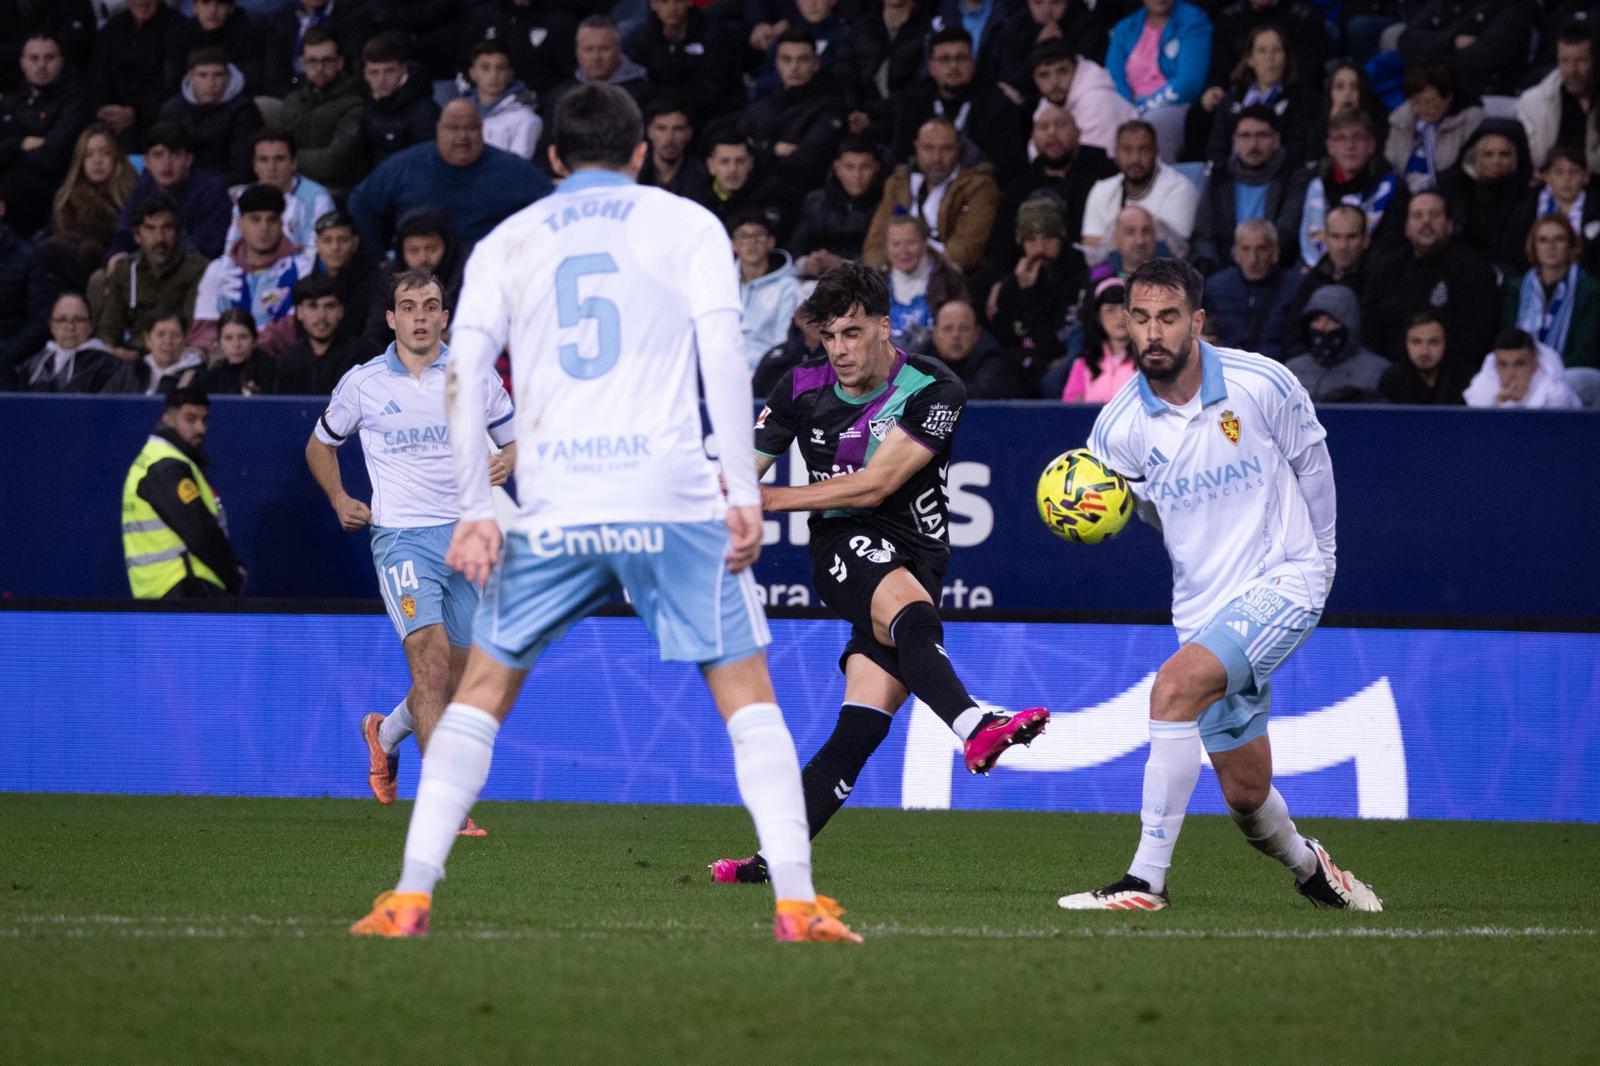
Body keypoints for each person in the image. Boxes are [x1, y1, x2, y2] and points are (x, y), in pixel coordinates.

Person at [349, 82, 862, 944]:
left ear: (552, 159)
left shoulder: (509, 239)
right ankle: (798, 903)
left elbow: (464, 373)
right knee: (747, 698)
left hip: (558, 507)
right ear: (637, 153)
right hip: (671, 497)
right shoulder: (688, 224)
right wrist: (742, 491)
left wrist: (478, 505)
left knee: (479, 696)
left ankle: (408, 895)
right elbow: (725, 361)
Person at [707, 262, 1048, 887]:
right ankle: (975, 726)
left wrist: (772, 500)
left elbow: (878, 483)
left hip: (918, 554)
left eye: (852, 333)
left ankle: (769, 860)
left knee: (858, 728)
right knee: (912, 614)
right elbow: (741, 469)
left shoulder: (933, 388)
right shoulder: (799, 388)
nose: (838, 349)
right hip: (842, 545)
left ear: (884, 328)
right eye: (829, 336)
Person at [1061, 256, 1381, 914]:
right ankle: (1310, 866)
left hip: (1287, 577)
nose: (1152, 332)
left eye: (1168, 318)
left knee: (1172, 688)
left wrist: (1320, 557)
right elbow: (1143, 513)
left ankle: (1145, 880)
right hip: (1203, 608)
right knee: (1243, 791)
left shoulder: (1262, 383)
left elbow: (1312, 465)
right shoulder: (1116, 429)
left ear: (1197, 322)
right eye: (1140, 319)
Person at [308, 268, 516, 836]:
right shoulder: (365, 382)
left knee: (458, 676)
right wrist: (339, 497)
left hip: (466, 536)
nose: (421, 316)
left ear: (445, 316)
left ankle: (386, 732)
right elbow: (320, 444)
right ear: (392, 318)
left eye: (431, 305)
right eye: (409, 306)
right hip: (401, 538)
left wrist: (512, 459)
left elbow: (516, 436)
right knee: (427, 661)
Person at [348, 99, 552, 258]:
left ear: (482, 129)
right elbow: (360, 201)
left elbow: (551, 205)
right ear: (438, 129)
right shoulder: (404, 165)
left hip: (490, 275)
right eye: (453, 128)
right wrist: (378, 258)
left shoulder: (514, 169)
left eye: (470, 128)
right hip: (419, 279)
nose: (462, 137)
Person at [121, 385, 246, 600]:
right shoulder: (166, 467)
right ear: (168, 418)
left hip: (161, 591)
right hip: (186, 587)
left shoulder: (154, 460)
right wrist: (233, 574)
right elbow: (199, 531)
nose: (200, 428)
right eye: (190, 419)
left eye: (204, 420)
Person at [1361, 189, 1500, 364]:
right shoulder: (1386, 269)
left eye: (1434, 215)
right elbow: (1370, 331)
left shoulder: (1473, 268)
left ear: (1449, 225)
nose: (1426, 222)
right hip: (1391, 370)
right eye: (1418, 215)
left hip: (1453, 372)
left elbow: (1476, 336)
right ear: (1406, 227)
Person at [985, 102, 1117, 279]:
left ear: (1078, 133)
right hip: (1034, 278)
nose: (1052, 133)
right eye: (1044, 127)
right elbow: (1000, 245)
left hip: (1095, 273)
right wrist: (999, 283)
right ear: (1032, 138)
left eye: (1061, 125)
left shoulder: (1106, 174)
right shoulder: (1019, 186)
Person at [888, 27, 1027, 184]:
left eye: (961, 58)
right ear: (931, 67)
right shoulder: (913, 103)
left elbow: (1007, 164)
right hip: (923, 187)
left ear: (973, 63)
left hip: (978, 189)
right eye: (945, 59)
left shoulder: (997, 104)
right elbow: (900, 157)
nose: (953, 66)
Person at [862, 116, 1001, 274]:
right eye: (928, 148)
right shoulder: (898, 183)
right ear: (916, 147)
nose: (936, 158)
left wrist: (911, 264)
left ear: (959, 149)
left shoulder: (979, 187)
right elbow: (876, 241)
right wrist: (880, 275)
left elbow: (966, 251)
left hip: (946, 281)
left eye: (946, 148)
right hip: (895, 277)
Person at [189, 182, 315, 354]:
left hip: (281, 364)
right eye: (255, 219)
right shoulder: (218, 270)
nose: (264, 228)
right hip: (225, 364)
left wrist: (247, 348)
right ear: (240, 224)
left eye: (271, 220)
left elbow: (296, 324)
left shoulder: (302, 268)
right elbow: (203, 328)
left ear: (281, 223)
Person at [1189, 106, 1302, 276]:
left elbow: (1287, 234)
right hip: (1224, 271)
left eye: (1262, 135)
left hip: (1275, 272)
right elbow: (1204, 234)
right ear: (1235, 141)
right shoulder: (1220, 177)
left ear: (1276, 140)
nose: (1253, 144)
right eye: (1245, 136)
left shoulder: (1293, 177)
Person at [0, 32, 93, 238]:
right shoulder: (9, 102)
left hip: (50, 192)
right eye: (34, 58)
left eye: (49, 58)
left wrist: (9, 153)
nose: (41, 65)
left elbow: (52, 156)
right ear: (22, 62)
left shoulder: (75, 101)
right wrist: (20, 143)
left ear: (61, 61)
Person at [97, 194, 210, 361]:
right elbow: (109, 327)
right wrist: (110, 349)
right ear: (137, 236)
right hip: (127, 359)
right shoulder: (125, 269)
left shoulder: (197, 268)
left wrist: (140, 355)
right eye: (150, 228)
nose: (159, 238)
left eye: (167, 228)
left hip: (177, 356)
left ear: (177, 233)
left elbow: (190, 330)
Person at [1291, 108, 1403, 270]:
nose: (1350, 145)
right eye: (1341, 138)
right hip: (1321, 276)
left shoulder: (1393, 188)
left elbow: (1390, 246)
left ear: (1371, 145)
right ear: (1330, 146)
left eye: (1357, 137)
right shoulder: (1316, 187)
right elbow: (1308, 242)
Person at [1195, 23, 1318, 168]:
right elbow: (1217, 146)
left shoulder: (1303, 100)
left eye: (1276, 50)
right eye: (1262, 51)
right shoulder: (1233, 97)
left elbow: (1298, 149)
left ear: (1286, 58)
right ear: (1250, 60)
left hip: (1279, 178)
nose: (1270, 58)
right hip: (1233, 177)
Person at [737, 27, 845, 191]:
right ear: (777, 63)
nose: (794, 67)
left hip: (804, 192)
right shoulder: (762, 104)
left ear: (816, 63)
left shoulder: (831, 106)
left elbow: (806, 160)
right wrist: (773, 149)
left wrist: (759, 149)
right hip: (753, 189)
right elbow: (737, 147)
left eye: (802, 59)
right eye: (787, 60)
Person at [1104, 0, 1212, 159]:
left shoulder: (1194, 20)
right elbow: (1114, 78)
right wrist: (1126, 109)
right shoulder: (1125, 28)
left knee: (1150, 125)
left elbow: (1190, 82)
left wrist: (1141, 108)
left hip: (1177, 105)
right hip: (1130, 106)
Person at [1081, 120, 1199, 262]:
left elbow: (1174, 250)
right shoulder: (1102, 190)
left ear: (1156, 151)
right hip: (1111, 276)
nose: (1135, 158)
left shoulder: (1180, 189)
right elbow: (1091, 253)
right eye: (1127, 149)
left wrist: (1114, 241)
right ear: (1116, 153)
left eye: (1143, 149)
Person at [110, 123, 232, 260]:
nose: (166, 163)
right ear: (146, 162)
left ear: (188, 159)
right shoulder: (143, 187)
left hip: (194, 268)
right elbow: (123, 232)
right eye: (158, 155)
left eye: (175, 155)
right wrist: (115, 255)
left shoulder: (211, 190)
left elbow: (207, 245)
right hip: (148, 263)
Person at [1502, 214, 1600, 369]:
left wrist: (1547, 373)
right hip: (1522, 372)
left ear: (1570, 246)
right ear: (1534, 247)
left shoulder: (1590, 290)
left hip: (1570, 373)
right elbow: (1508, 339)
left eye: (1559, 239)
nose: (1551, 246)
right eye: (1543, 240)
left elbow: (1586, 352)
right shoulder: (1516, 288)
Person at [86, 0, 183, 155]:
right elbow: (97, 75)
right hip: (111, 117)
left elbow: (170, 84)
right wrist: (103, 108)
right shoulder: (112, 28)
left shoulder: (178, 28)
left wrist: (135, 112)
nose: (141, 2)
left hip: (154, 118)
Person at [158, 46, 264, 186]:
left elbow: (243, 169)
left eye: (218, 75)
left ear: (228, 76)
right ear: (190, 77)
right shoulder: (172, 109)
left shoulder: (244, 110)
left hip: (227, 186)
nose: (211, 83)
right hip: (180, 183)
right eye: (202, 75)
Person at [1438, 118, 1532, 275]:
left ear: (1516, 158)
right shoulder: (1453, 190)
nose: (1496, 161)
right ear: (1475, 157)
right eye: (1488, 154)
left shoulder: (1529, 195)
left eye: (1505, 154)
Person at [279, 25, 367, 194]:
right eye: (312, 61)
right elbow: (276, 151)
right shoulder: (292, 101)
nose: (320, 68)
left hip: (336, 190)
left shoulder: (354, 104)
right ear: (302, 64)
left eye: (327, 60)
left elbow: (332, 164)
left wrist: (288, 158)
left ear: (340, 62)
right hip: (291, 186)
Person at [626, 0, 742, 126]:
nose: (672, 8)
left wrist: (669, 98)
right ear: (653, 5)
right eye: (665, 2)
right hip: (657, 109)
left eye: (678, 1)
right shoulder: (643, 36)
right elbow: (639, 82)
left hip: (709, 112)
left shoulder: (713, 33)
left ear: (690, 2)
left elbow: (714, 89)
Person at [1199, 218, 1298, 360]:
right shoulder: (1216, 287)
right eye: (1245, 249)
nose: (1253, 259)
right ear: (1235, 252)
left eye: (1261, 249)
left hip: (1276, 369)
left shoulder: (1294, 288)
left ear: (1274, 251)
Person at [224, 129, 335, 253]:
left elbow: (317, 253)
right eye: (263, 160)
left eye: (280, 159)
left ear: (293, 163)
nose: (271, 167)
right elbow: (231, 249)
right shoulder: (245, 196)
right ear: (254, 165)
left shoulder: (317, 198)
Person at [47, 124, 137, 277]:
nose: (97, 161)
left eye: (105, 153)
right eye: (89, 155)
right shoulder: (67, 200)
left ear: (115, 157)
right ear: (80, 161)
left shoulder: (135, 194)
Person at [1283, 202, 1369, 358]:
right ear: (1326, 239)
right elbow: (1293, 337)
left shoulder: (1379, 281)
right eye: (1335, 236)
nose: (1343, 245)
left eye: (1351, 237)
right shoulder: (1310, 282)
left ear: (1365, 239)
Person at [1384, 62, 1484, 195]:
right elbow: (1391, 160)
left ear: (1448, 98)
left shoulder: (1469, 119)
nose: (1423, 109)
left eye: (1430, 102)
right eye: (1416, 101)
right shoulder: (1400, 120)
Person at [1398, 1, 1532, 100]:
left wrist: (1432, 58)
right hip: (1440, 90)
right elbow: (1406, 42)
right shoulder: (1442, 4)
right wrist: (1451, 40)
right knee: (1403, 116)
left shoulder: (1513, 6)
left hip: (1486, 95)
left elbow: (1485, 56)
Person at [789, 137, 883, 276]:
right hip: (812, 283)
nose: (857, 175)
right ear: (837, 168)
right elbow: (795, 247)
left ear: (876, 168)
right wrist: (807, 263)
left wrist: (843, 264)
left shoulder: (884, 205)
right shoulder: (815, 201)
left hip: (863, 285)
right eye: (849, 167)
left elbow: (882, 258)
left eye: (864, 167)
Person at [1028, 40, 1136, 158]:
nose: (1054, 82)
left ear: (1076, 68)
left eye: (1062, 71)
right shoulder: (1047, 103)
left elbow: (1095, 162)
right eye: (1044, 75)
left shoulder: (1098, 100)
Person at [1517, 21, 1599, 173]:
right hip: (1550, 186)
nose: (1572, 70)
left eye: (1581, 61)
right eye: (1564, 61)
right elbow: (1533, 159)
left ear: (1595, 61)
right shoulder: (1533, 102)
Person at [1285, 284, 1389, 403]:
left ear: (1350, 324)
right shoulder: (1291, 370)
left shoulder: (1378, 371)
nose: (1322, 327)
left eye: (1332, 320)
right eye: (1316, 319)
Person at [269, 274, 368, 395]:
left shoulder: (363, 357)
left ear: (340, 311)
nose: (321, 316)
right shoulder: (287, 360)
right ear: (299, 312)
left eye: (329, 306)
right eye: (312, 306)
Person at [882, 213, 968, 355]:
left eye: (911, 242)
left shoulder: (948, 279)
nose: (904, 251)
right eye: (896, 244)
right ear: (886, 247)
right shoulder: (877, 282)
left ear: (924, 243)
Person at [357, 32, 439, 172]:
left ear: (403, 69)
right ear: (365, 74)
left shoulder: (424, 111)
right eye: (374, 73)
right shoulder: (364, 103)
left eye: (389, 71)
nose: (381, 80)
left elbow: (425, 165)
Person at [19, 291, 126, 393]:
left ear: (91, 325)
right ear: (51, 326)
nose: (70, 327)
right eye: (62, 320)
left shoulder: (110, 367)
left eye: (78, 320)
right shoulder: (33, 365)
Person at [732, 211, 800, 371]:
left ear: (771, 241)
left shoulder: (788, 286)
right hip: (723, 366)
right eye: (743, 236)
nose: (751, 242)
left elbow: (781, 343)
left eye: (758, 235)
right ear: (733, 244)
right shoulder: (721, 283)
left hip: (765, 372)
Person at [1058, 269, 1136, 402]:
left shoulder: (1147, 361)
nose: (1119, 317)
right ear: (1098, 317)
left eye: (1124, 308)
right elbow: (1070, 412)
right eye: (1110, 310)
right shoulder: (1083, 363)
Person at [162, 0, 263, 98]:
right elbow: (173, 83)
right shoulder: (179, 35)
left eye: (221, 3)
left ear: (231, 8)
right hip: (188, 103)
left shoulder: (247, 33)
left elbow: (251, 80)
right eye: (205, 2)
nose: (213, 10)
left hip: (237, 101)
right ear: (195, 7)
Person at [1462, 328, 1582, 409]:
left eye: (1519, 364)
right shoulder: (1481, 389)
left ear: (1535, 364)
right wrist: (1498, 403)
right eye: (1503, 365)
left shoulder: (1556, 394)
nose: (1511, 374)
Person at [463, 37, 541, 161]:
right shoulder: (461, 114)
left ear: (510, 74)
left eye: (500, 68)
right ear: (472, 73)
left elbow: (516, 168)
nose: (493, 75)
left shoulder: (526, 119)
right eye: (485, 68)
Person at [929, 296, 1022, 398]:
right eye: (948, 329)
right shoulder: (919, 359)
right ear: (934, 334)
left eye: (964, 328)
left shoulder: (992, 358)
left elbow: (984, 394)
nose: (956, 335)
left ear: (977, 333)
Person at [1377, 309, 1470, 404]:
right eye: (1416, 342)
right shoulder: (1392, 381)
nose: (1425, 351)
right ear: (1405, 344)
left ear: (1445, 344)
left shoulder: (1467, 381)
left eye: (1433, 342)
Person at [311, 208, 377, 342]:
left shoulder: (373, 282)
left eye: (343, 240)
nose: (335, 247)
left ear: (355, 243)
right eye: (327, 240)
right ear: (317, 244)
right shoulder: (309, 282)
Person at [637, 96, 706, 199]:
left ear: (689, 133)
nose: (669, 138)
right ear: (649, 131)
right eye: (661, 128)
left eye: (678, 129)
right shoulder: (634, 174)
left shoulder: (704, 177)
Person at [128, 305, 206, 395]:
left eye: (175, 335)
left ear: (185, 339)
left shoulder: (200, 377)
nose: (168, 341)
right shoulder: (132, 371)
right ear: (147, 339)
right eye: (161, 334)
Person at [194, 307, 270, 395]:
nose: (236, 345)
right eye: (228, 338)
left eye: (243, 337)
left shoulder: (274, 372)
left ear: (254, 339)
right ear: (219, 342)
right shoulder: (210, 379)